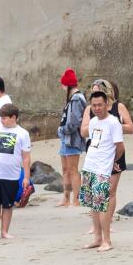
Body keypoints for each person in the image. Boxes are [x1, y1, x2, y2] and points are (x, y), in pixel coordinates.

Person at [83, 79, 133, 231]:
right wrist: (99, 125)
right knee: (94, 191)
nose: (95, 93)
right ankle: (96, 225)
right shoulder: (90, 109)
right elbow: (83, 131)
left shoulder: (119, 107)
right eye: (93, 91)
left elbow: (131, 128)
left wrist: (115, 125)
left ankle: (108, 222)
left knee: (110, 191)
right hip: (96, 153)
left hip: (114, 153)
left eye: (98, 90)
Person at [80, 90, 125, 251]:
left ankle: (107, 240)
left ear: (106, 104)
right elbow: (93, 143)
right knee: (93, 204)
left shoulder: (113, 122)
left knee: (102, 205)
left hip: (103, 168)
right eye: (94, 105)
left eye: (100, 105)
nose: (97, 108)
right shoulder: (93, 122)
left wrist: (113, 163)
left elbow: (120, 147)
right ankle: (97, 238)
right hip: (89, 166)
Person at [0, 104, 32, 240]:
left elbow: (26, 157)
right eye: (1, 118)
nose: (2, 121)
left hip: (12, 175)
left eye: (4, 118)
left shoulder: (23, 134)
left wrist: (26, 177)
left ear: (13, 117)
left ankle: (5, 232)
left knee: (8, 205)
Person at [56, 68, 86, 206]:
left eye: (63, 85)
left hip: (72, 139)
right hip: (66, 139)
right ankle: (66, 199)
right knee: (65, 169)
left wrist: (62, 130)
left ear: (67, 85)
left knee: (72, 169)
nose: (62, 87)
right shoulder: (73, 98)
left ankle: (77, 199)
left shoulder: (76, 99)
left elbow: (74, 122)